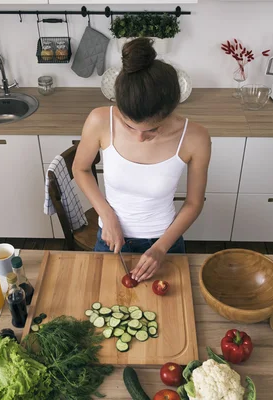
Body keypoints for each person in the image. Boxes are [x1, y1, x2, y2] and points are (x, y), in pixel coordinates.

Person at [73, 38, 211, 282]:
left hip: (164, 242)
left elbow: (193, 203)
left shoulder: (195, 138)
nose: (139, 138)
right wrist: (106, 215)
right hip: (110, 238)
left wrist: (160, 248)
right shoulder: (100, 120)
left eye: (153, 129)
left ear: (170, 112)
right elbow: (81, 168)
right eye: (128, 125)